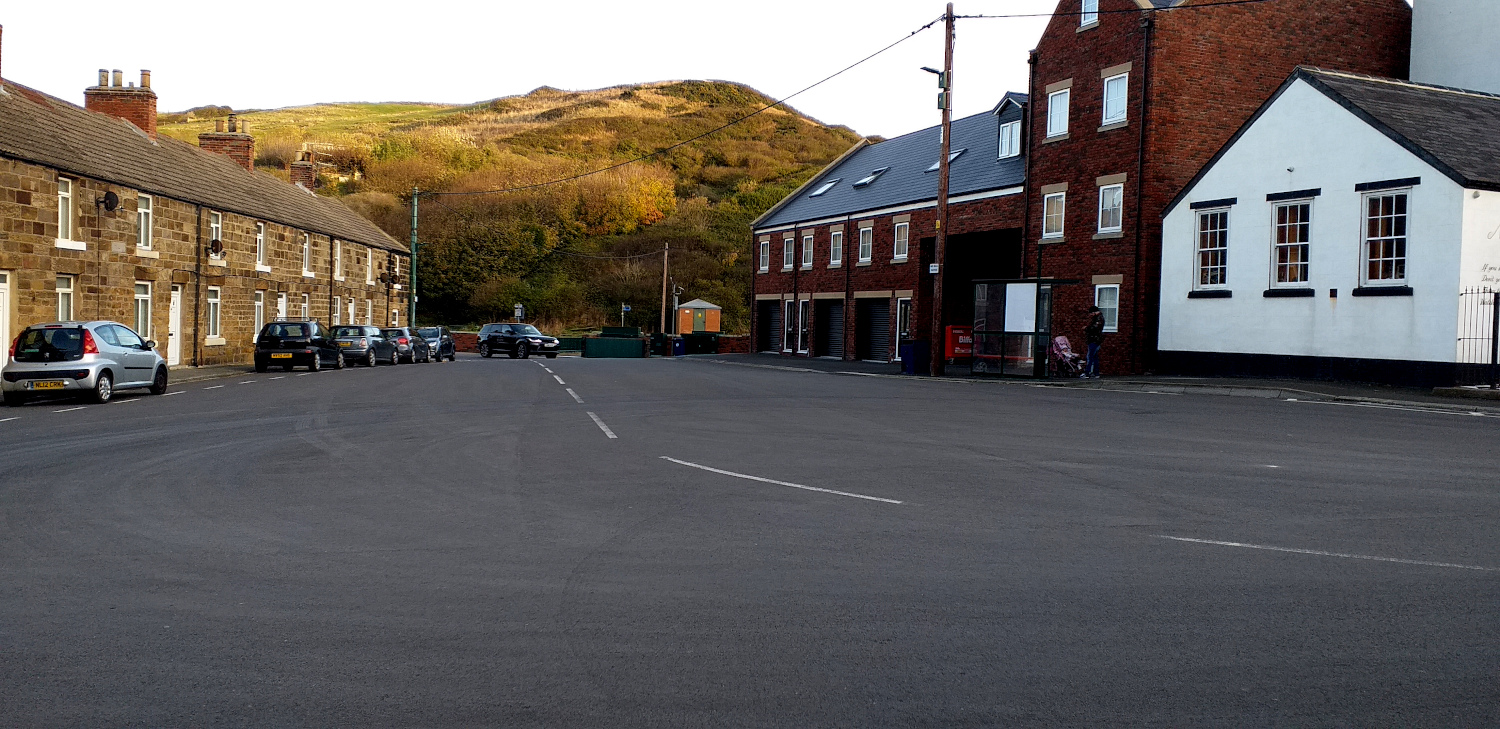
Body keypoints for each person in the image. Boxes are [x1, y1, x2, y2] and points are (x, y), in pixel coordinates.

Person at [1084, 305, 1105, 378]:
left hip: (1094, 340)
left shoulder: (1098, 319)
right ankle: (1096, 373)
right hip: (1097, 340)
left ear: (1094, 312)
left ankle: (1087, 372)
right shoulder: (1099, 318)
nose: (1090, 315)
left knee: (1090, 357)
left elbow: (1094, 328)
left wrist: (1087, 328)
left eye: (1091, 314)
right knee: (1095, 357)